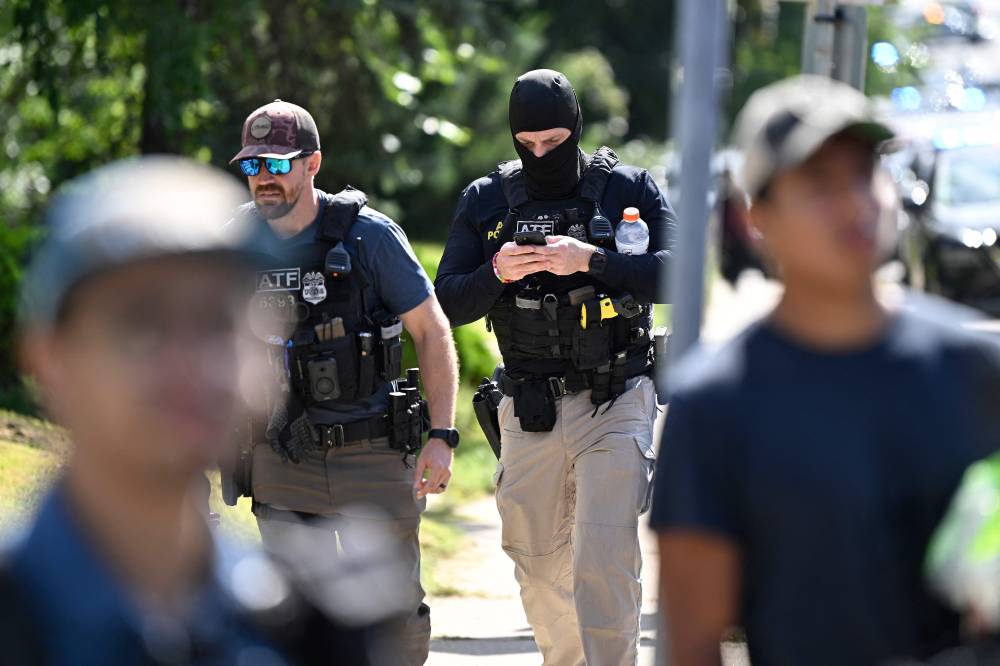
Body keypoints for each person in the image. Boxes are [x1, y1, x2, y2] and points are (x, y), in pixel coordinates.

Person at [650, 75, 1000, 666]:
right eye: (818, 181)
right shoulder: (715, 406)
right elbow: (693, 644)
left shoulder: (972, 370)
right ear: (755, 214)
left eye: (864, 173)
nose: (853, 203)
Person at [6, 156, 373, 665]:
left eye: (219, 321)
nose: (189, 363)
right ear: (48, 360)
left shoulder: (306, 626)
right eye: (141, 323)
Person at [435, 69, 676, 665]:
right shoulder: (487, 201)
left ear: (576, 130)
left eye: (555, 140)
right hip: (529, 405)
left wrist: (592, 260)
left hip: (616, 396)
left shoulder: (628, 190)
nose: (542, 153)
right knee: (539, 572)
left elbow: (680, 271)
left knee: (604, 558)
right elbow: (445, 300)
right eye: (529, 143)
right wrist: (498, 273)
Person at [224, 99, 460, 666]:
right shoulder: (235, 241)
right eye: (253, 166)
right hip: (282, 457)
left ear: (313, 164)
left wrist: (442, 435)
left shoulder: (369, 237)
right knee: (287, 620)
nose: (264, 180)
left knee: (393, 619)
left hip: (374, 455)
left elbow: (430, 331)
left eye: (278, 165)